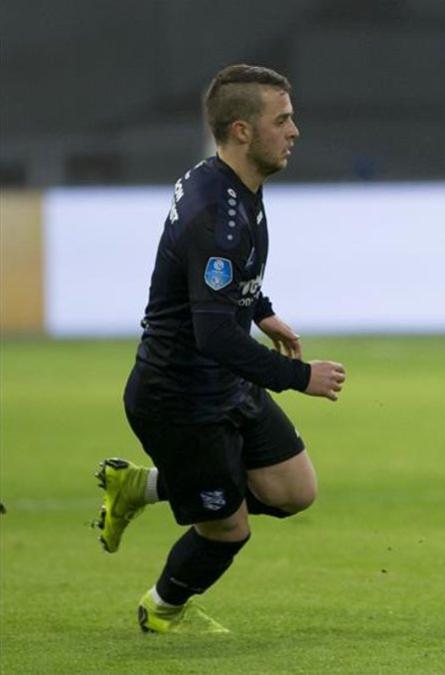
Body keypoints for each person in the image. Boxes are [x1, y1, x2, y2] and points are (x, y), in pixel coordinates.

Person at [93, 64, 347, 634]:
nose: (294, 131)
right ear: (241, 131)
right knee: (228, 530)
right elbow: (213, 335)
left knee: (294, 490)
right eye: (281, 120)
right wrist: (298, 376)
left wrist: (262, 310)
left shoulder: (227, 184)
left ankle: (143, 485)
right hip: (177, 398)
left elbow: (217, 280)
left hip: (223, 381)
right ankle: (162, 609)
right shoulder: (218, 214)